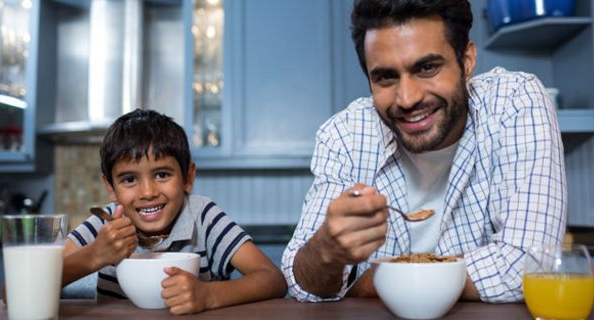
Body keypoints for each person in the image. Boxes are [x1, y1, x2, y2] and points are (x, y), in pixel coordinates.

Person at [282, 0, 566, 303]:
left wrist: (379, 279)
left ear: (467, 60)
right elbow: (301, 285)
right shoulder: (344, 135)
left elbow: (529, 262)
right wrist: (327, 250)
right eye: (386, 77)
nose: (407, 99)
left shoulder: (515, 102)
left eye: (427, 67)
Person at [62, 109, 287, 314]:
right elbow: (37, 282)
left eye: (161, 174)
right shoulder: (105, 225)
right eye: (129, 179)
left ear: (188, 177)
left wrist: (208, 295)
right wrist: (94, 255)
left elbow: (273, 279)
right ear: (111, 188)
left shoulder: (203, 217)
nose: (148, 192)